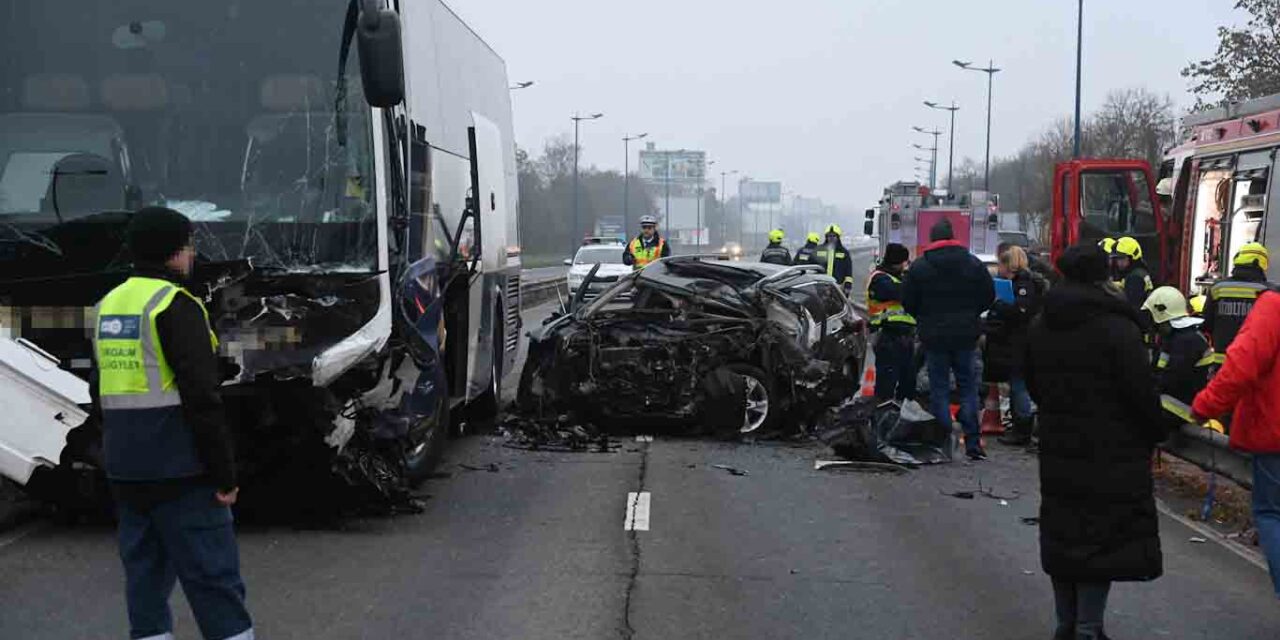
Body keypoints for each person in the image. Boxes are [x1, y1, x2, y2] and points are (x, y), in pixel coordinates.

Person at [93, 207, 254, 640]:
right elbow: (202, 400)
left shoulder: (109, 304)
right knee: (213, 578)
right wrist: (225, 474)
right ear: (177, 253)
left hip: (125, 467)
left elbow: (103, 387)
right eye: (189, 246)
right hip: (180, 467)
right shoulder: (175, 304)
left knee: (144, 580)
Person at [1022, 244, 1165, 640]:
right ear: (1104, 276)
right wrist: (1157, 431)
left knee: (1064, 535)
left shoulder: (1043, 322)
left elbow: (1033, 382)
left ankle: (1066, 625)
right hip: (1111, 450)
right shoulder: (1117, 327)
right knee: (1099, 540)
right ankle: (1088, 628)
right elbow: (1140, 393)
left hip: (1058, 446)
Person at [903, 219, 995, 460]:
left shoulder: (920, 267)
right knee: (968, 388)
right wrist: (971, 315)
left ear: (933, 239)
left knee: (939, 389)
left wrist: (925, 318)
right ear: (952, 236)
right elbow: (989, 295)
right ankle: (973, 445)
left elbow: (908, 301)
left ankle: (944, 443)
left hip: (934, 337)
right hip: (966, 335)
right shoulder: (972, 263)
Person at [988, 246, 1047, 447]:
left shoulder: (1023, 284)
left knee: (1019, 385)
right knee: (1017, 384)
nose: (999, 269)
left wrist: (1000, 306)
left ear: (1009, 264)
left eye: (1001, 264)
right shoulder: (1025, 282)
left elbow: (1022, 310)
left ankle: (1022, 427)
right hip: (1022, 339)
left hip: (1020, 341)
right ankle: (1020, 425)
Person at [1143, 286, 1213, 420]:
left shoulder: (1187, 341)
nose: (1153, 325)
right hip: (1174, 406)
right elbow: (1157, 371)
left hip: (1182, 411)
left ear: (1163, 315)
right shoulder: (1174, 338)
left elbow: (1172, 380)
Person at [1203, 242, 1271, 365]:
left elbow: (1207, 324)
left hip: (1222, 363)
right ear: (1262, 263)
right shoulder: (1271, 292)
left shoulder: (1218, 288)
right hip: (1256, 366)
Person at [867, 243, 917, 402]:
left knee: (908, 384)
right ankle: (882, 420)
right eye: (905, 261)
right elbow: (900, 292)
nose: (906, 265)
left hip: (906, 338)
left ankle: (902, 417)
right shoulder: (880, 278)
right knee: (886, 385)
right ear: (899, 261)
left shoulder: (898, 278)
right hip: (887, 336)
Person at [1110, 236, 1154, 312]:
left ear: (1133, 257)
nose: (1119, 263)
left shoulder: (1134, 277)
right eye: (1117, 259)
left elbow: (1132, 307)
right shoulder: (1140, 271)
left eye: (1122, 258)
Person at [814, 224, 854, 293]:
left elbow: (848, 271)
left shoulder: (844, 252)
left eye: (834, 236)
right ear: (826, 237)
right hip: (820, 286)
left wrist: (848, 286)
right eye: (829, 236)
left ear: (838, 237)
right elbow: (812, 267)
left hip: (838, 287)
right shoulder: (819, 250)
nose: (831, 238)